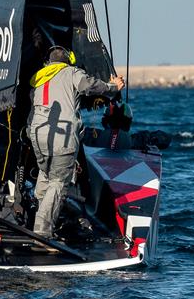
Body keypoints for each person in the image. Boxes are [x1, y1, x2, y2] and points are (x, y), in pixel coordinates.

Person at [27, 46, 125, 241]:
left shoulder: (39, 78)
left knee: (46, 175)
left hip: (37, 134)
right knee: (59, 181)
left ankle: (38, 216)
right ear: (68, 60)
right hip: (61, 134)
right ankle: (41, 230)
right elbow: (88, 86)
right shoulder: (70, 72)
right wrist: (113, 87)